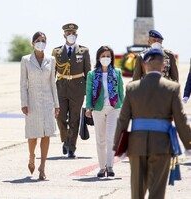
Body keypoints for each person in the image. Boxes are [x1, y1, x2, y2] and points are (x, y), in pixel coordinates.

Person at [113, 48, 191, 199]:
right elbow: (180, 119)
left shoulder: (132, 88)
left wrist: (119, 147)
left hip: (137, 145)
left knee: (137, 192)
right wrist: (188, 144)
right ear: (163, 66)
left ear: (144, 65)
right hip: (161, 145)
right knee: (157, 193)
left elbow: (123, 120)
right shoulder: (172, 88)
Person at [20, 31, 60, 180]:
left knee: (46, 133)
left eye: (43, 40)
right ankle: (32, 157)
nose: (40, 43)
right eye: (38, 40)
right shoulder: (26, 60)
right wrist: (24, 103)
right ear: (33, 43)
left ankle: (42, 167)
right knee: (33, 135)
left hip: (48, 102)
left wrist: (56, 104)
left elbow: (53, 84)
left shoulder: (51, 60)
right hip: (33, 102)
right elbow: (23, 83)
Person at [52, 23, 91, 158]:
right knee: (60, 117)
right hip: (61, 88)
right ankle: (65, 140)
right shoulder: (56, 52)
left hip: (77, 88)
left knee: (74, 119)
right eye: (68, 33)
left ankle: (71, 147)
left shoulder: (83, 51)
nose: (71, 35)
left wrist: (88, 91)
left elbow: (88, 73)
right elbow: (53, 73)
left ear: (76, 35)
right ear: (64, 35)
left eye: (73, 33)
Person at [85, 46, 124, 177]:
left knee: (111, 138)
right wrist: (88, 107)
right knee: (100, 139)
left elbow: (121, 92)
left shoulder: (117, 72)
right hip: (98, 109)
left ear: (111, 58)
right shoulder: (92, 74)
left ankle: (110, 166)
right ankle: (102, 167)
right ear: (98, 58)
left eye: (108, 56)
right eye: (103, 56)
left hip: (114, 108)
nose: (106, 58)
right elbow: (89, 92)